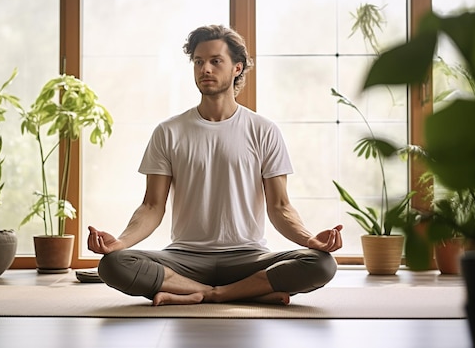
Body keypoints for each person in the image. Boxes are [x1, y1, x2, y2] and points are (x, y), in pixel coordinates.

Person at [88, 24, 343, 306]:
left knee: (321, 264)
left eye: (215, 61)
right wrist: (120, 243)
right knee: (114, 265)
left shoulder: (264, 130)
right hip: (185, 257)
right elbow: (152, 206)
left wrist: (311, 241)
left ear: (237, 68)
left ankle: (204, 294)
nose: (205, 69)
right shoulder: (169, 131)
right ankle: (247, 293)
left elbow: (280, 206)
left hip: (249, 257)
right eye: (198, 62)